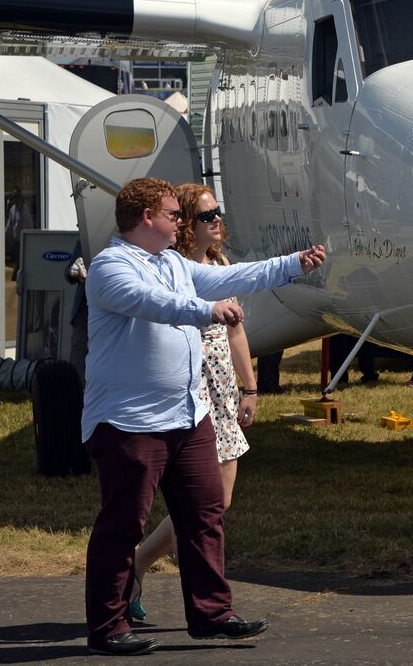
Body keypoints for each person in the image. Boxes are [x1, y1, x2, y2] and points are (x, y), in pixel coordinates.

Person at [82, 177, 325, 656]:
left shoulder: (172, 261)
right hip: (129, 422)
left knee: (204, 515)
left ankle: (212, 615)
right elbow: (152, 304)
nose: (181, 223)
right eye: (174, 215)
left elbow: (233, 279)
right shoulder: (110, 267)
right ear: (147, 217)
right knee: (123, 524)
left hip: (188, 416)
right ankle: (108, 626)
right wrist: (205, 311)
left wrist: (291, 265)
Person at [127, 184, 259, 623]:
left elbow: (236, 329)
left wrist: (251, 386)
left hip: (223, 388)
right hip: (193, 388)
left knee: (219, 500)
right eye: (206, 215)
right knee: (207, 502)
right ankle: (199, 600)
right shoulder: (176, 270)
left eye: (218, 212)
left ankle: (140, 565)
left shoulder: (220, 264)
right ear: (184, 222)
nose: (217, 220)